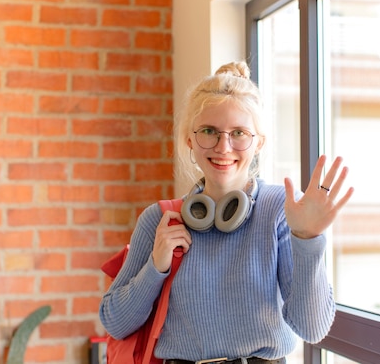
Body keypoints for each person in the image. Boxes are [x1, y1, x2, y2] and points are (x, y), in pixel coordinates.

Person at [99, 61, 354, 364]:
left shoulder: (280, 211)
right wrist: (156, 266)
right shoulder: (160, 220)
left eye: (239, 133)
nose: (223, 147)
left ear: (258, 142)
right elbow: (114, 322)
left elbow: (313, 329)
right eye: (209, 131)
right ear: (189, 140)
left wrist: (307, 239)